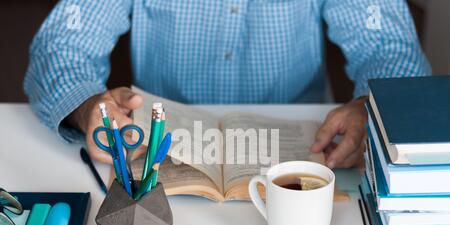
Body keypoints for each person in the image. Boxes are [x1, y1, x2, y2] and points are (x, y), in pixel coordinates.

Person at [24, 0, 430, 168]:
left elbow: (387, 46)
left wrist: (368, 109)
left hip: (308, 153)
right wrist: (87, 106)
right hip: (150, 151)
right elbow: (64, 42)